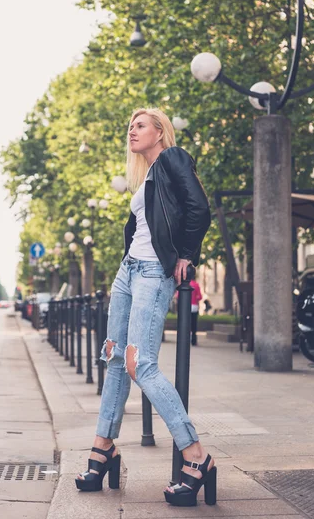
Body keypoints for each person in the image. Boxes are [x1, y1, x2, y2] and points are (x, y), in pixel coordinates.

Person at [75, 108, 216, 507]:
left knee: (141, 363)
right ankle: (103, 449)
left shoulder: (172, 158)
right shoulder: (147, 177)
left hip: (155, 271)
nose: (132, 132)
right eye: (129, 127)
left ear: (159, 131)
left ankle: (196, 457)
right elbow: (143, 227)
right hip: (128, 272)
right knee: (114, 357)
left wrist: (187, 254)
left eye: (139, 125)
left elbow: (198, 208)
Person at [190, 279, 202, 346]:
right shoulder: (196, 285)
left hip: (185, 308)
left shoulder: (183, 284)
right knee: (194, 324)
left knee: (186, 324)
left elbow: (178, 296)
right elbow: (200, 297)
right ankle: (194, 341)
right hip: (194, 306)